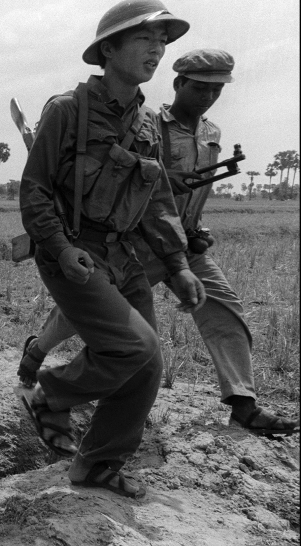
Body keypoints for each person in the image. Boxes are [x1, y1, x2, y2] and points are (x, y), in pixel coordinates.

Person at [18, 48, 299, 438]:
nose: (209, 96)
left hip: (183, 243)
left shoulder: (210, 134)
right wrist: (164, 177)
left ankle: (243, 403)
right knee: (88, 314)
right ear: (179, 83)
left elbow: (180, 197)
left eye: (217, 89)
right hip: (135, 243)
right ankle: (37, 355)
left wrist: (190, 233)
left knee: (223, 307)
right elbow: (121, 178)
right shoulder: (148, 124)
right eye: (200, 87)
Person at [16, 0, 207, 500]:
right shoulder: (66, 111)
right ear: (109, 48)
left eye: (163, 41)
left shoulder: (147, 124)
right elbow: (33, 189)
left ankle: (97, 464)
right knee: (134, 345)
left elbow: (156, 201)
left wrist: (177, 264)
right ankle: (50, 396)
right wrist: (57, 247)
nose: (158, 49)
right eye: (146, 38)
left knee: (148, 366)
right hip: (73, 255)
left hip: (125, 257)